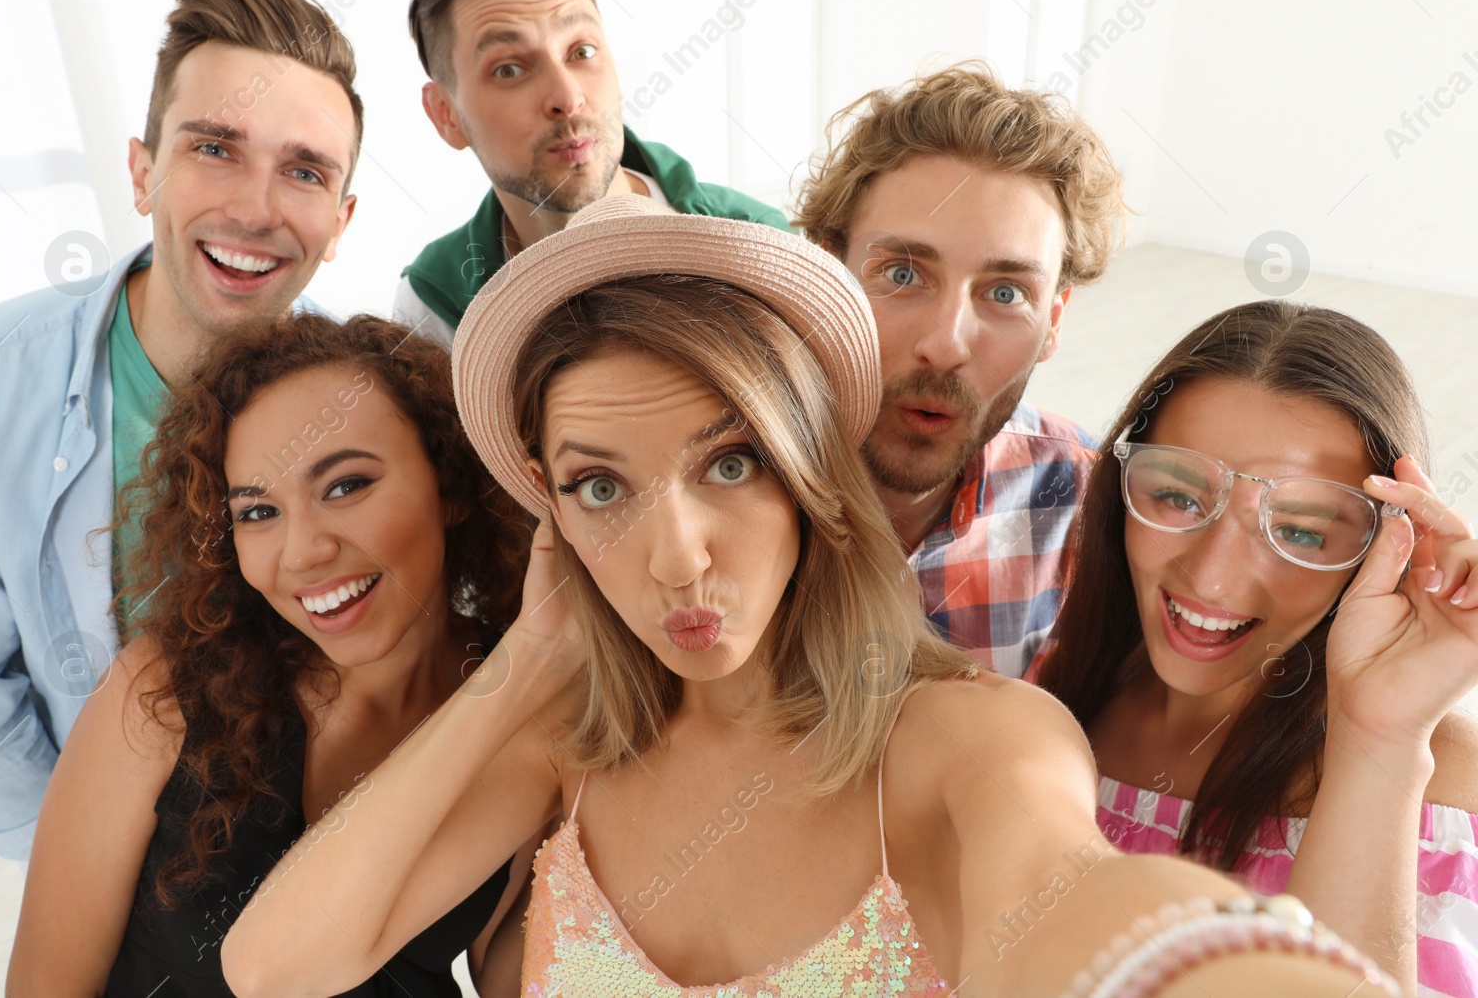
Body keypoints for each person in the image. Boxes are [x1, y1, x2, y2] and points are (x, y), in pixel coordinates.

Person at [222, 195, 1399, 998]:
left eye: (727, 463)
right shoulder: (559, 742)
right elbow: (273, 968)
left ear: (808, 475)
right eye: (599, 485)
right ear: (551, 512)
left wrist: (1219, 960)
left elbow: (1072, 899)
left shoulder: (965, 737)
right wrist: (523, 666)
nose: (676, 557)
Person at [0, 0, 362, 860]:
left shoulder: (379, 411)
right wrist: (90, 892)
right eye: (216, 147)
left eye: (304, 171)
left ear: (340, 222)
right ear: (142, 173)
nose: (255, 208)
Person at [8, 314, 536, 996]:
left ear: (450, 482)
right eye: (258, 512)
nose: (304, 552)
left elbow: (519, 968)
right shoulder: (164, 693)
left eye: (345, 486)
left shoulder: (527, 691)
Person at [1038, 301, 1478, 996]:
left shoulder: (1448, 793)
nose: (1211, 575)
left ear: (1383, 548)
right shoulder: (1045, 705)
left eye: (1301, 530)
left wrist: (1379, 739)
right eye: (1179, 495)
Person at [795, 63, 1124, 680]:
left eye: (1005, 294)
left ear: (1053, 322)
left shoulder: (1093, 505)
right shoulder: (720, 478)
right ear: (824, 274)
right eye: (901, 274)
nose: (945, 346)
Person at [391, 0, 789, 344]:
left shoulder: (756, 242)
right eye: (509, 69)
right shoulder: (431, 306)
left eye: (581, 51)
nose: (568, 98)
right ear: (447, 115)